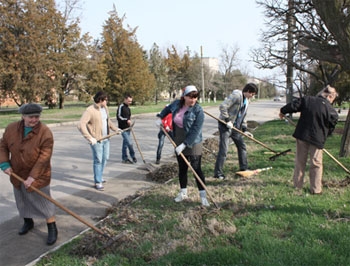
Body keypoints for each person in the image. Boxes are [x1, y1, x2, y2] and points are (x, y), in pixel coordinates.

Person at [0, 103, 58, 245]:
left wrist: (33, 177)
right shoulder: (11, 128)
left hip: (39, 175)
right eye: (30, 117)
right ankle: (28, 222)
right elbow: (3, 146)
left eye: (36, 117)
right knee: (22, 200)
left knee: (44, 203)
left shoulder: (45, 132)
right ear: (23, 116)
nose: (34, 120)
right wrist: (4, 164)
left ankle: (52, 228)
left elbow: (44, 158)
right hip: (17, 173)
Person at [279, 85, 338, 194]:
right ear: (330, 96)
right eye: (333, 99)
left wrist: (283, 111)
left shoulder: (308, 99)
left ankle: (298, 186)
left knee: (300, 161)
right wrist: (326, 134)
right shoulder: (330, 109)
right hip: (317, 139)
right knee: (316, 163)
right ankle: (316, 189)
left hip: (302, 134)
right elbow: (333, 123)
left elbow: (293, 106)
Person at [158, 85, 209, 207]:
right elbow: (167, 109)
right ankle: (183, 193)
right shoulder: (176, 104)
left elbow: (196, 130)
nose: (193, 100)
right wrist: (160, 117)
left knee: (196, 168)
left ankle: (203, 197)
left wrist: (185, 144)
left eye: (195, 97)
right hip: (178, 139)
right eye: (190, 97)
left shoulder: (198, 111)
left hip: (194, 142)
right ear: (184, 96)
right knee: (182, 168)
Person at [214, 83, 258, 179]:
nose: (252, 96)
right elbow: (222, 106)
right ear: (248, 91)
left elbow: (243, 116)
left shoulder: (247, 101)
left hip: (235, 128)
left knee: (242, 146)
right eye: (252, 94)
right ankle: (218, 173)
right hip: (225, 126)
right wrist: (227, 120)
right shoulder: (237, 96)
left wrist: (245, 129)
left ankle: (244, 168)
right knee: (224, 150)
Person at [77, 91, 118, 191]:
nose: (107, 102)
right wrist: (90, 137)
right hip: (97, 140)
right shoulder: (90, 110)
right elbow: (80, 125)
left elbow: (108, 121)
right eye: (106, 100)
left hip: (106, 138)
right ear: (100, 100)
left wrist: (116, 129)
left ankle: (100, 175)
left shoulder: (105, 109)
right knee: (98, 160)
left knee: (105, 158)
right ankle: (97, 181)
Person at [117, 94, 137, 164]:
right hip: (123, 129)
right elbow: (119, 117)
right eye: (129, 101)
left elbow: (129, 117)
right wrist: (126, 120)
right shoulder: (121, 107)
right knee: (129, 143)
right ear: (125, 99)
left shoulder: (128, 108)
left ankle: (124, 158)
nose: (130, 103)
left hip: (128, 128)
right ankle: (133, 156)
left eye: (131, 101)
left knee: (125, 144)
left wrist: (130, 124)